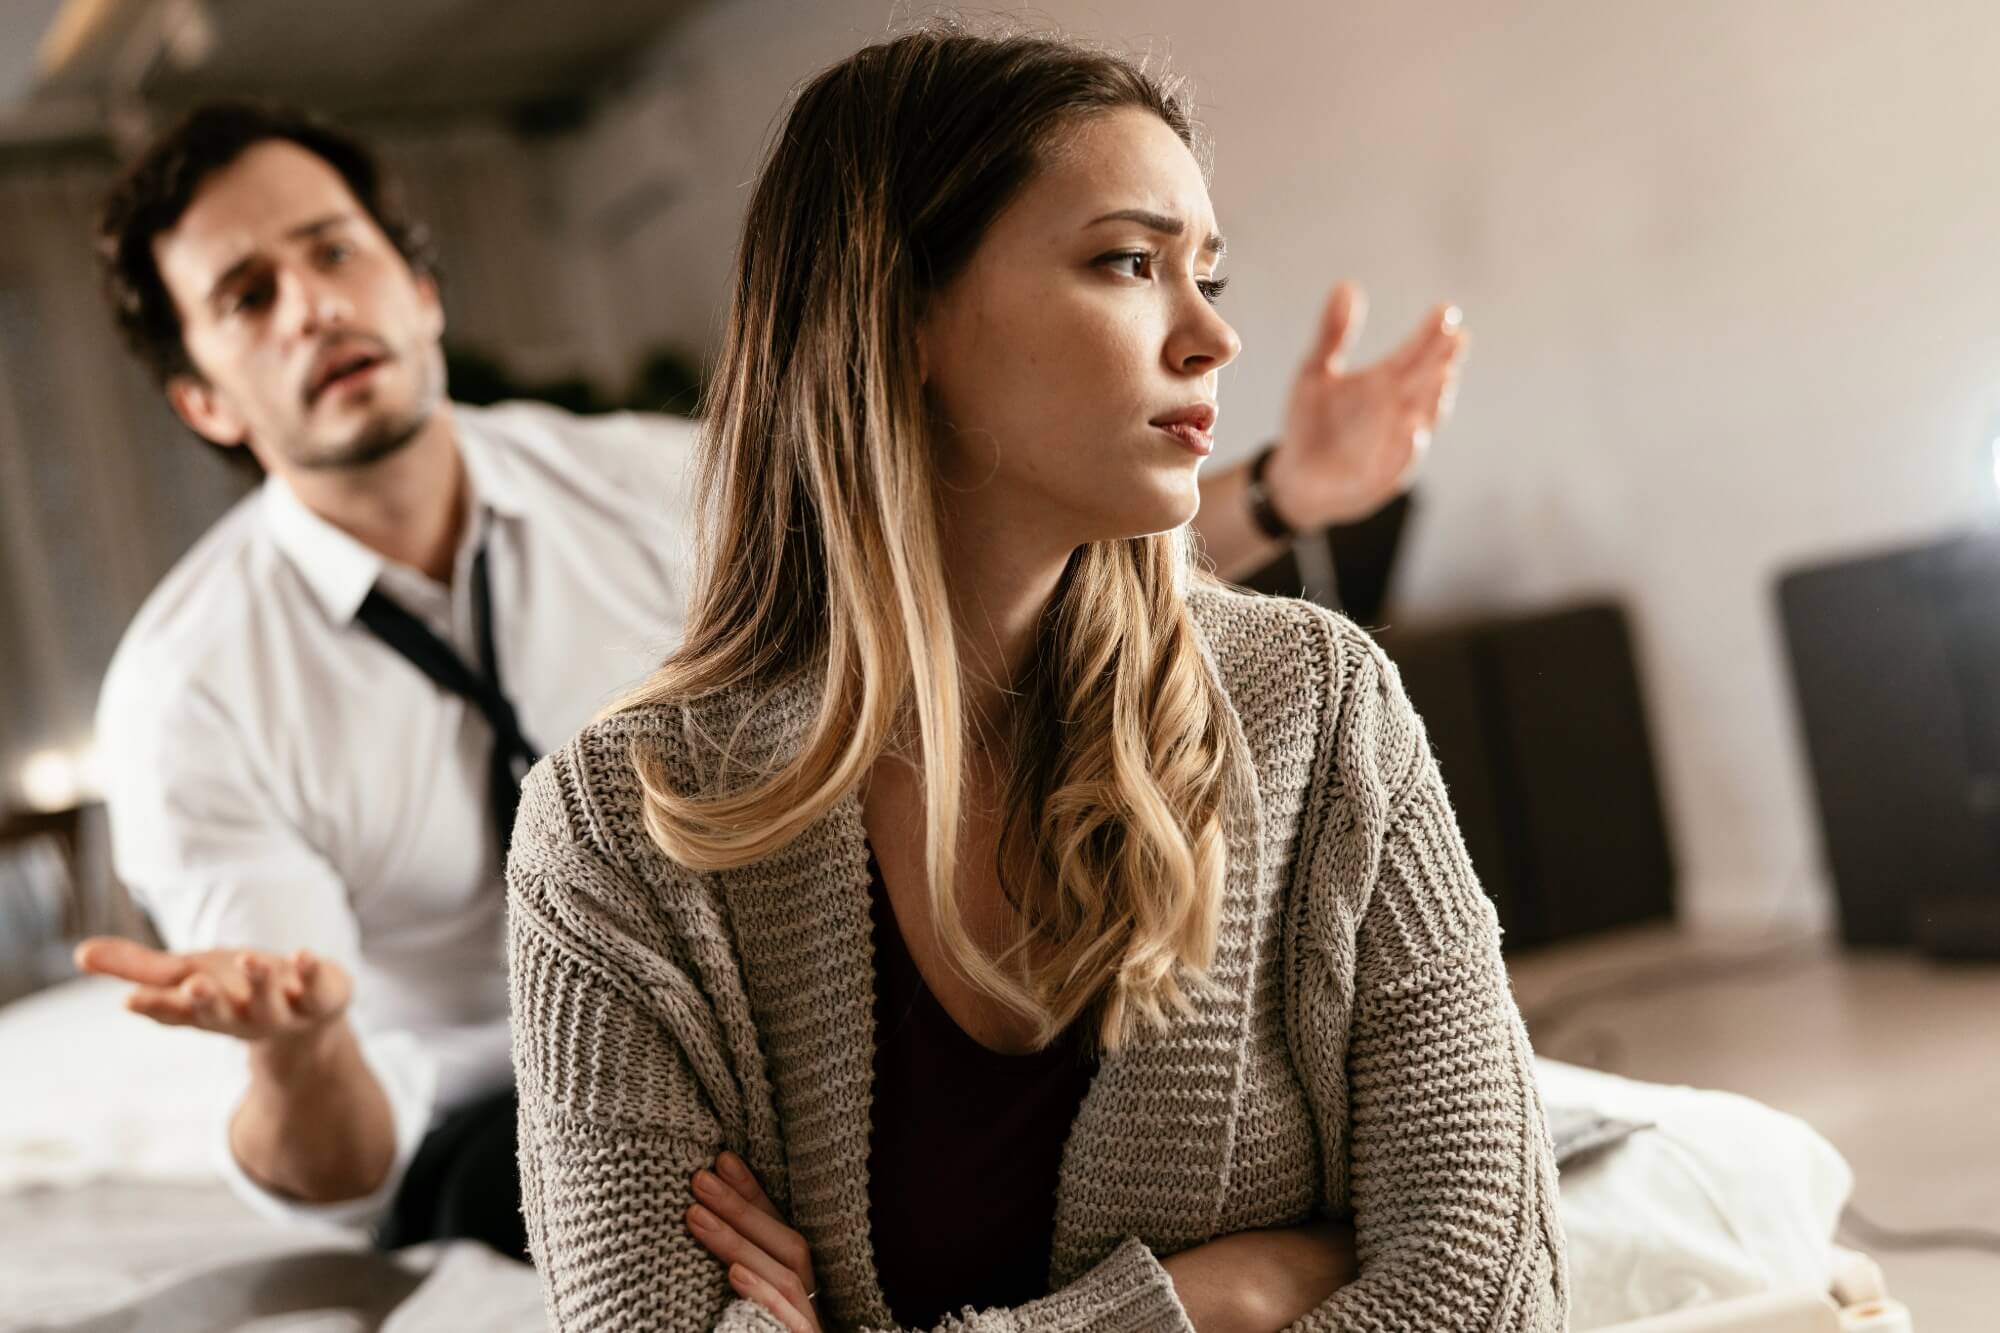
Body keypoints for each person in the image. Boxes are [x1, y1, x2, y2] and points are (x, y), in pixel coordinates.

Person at [71, 94, 1463, 1264]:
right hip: (489, 1113)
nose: (313, 306)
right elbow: (346, 1159)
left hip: (765, 1028)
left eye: (335, 252)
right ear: (201, 395)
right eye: (248, 297)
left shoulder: (643, 482)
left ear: (418, 286)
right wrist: (303, 1051)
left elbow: (974, 577)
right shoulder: (187, 694)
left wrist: (1281, 491)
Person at [506, 26, 1563, 1333]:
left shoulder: (1324, 708)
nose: (1211, 336)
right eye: (1129, 262)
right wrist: (1203, 1304)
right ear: (904, 315)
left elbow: (1492, 1291)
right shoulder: (618, 825)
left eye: (1208, 273)